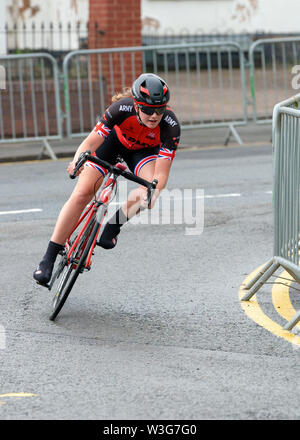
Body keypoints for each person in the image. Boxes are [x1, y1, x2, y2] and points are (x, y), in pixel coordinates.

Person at [33, 73, 181, 286]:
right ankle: (48, 258)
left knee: (151, 190)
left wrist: (153, 190)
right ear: (137, 105)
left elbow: (161, 173)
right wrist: (77, 162)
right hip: (112, 144)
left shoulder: (170, 125)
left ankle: (114, 224)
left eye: (159, 110)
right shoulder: (121, 109)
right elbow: (90, 142)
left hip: (143, 152)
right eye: (148, 110)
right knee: (82, 193)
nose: (154, 116)